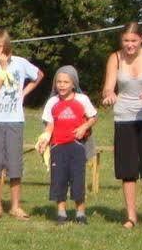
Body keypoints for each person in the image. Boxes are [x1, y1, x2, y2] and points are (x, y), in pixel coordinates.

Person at [100, 21, 142, 229]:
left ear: (141, 40)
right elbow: (107, 88)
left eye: (133, 41)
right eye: (126, 41)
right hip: (124, 117)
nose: (129, 45)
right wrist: (109, 95)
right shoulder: (115, 58)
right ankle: (131, 216)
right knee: (127, 169)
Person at [0, 27, 43, 219]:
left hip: (14, 120)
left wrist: (24, 93)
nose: (0, 51)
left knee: (15, 164)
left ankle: (15, 205)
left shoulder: (20, 63)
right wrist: (3, 70)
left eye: (3, 46)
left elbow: (39, 75)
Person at [36, 65, 97, 224]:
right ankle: (61, 213)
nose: (62, 85)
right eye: (59, 82)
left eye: (66, 82)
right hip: (58, 146)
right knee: (59, 179)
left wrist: (84, 127)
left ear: (73, 84)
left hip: (77, 146)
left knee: (78, 179)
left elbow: (93, 117)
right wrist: (44, 140)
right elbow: (49, 125)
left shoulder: (82, 100)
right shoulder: (53, 102)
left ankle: (80, 213)